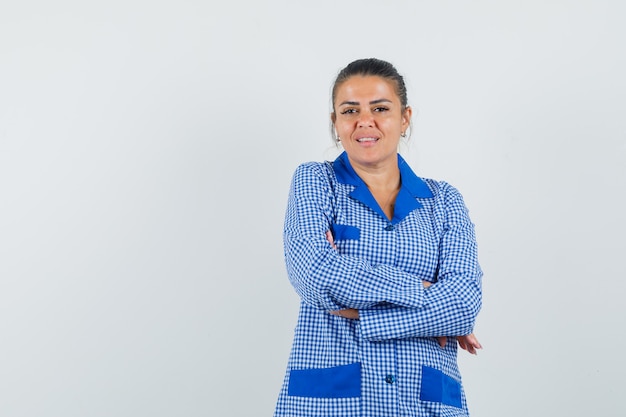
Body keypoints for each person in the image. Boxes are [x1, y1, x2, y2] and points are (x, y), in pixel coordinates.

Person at [273, 58, 483, 417]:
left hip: (425, 402)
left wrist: (361, 313)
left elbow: (463, 303)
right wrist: (427, 291)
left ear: (404, 119)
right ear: (335, 122)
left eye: (380, 108)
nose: (364, 121)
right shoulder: (315, 181)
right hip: (333, 401)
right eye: (349, 110)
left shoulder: (445, 200)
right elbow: (315, 275)